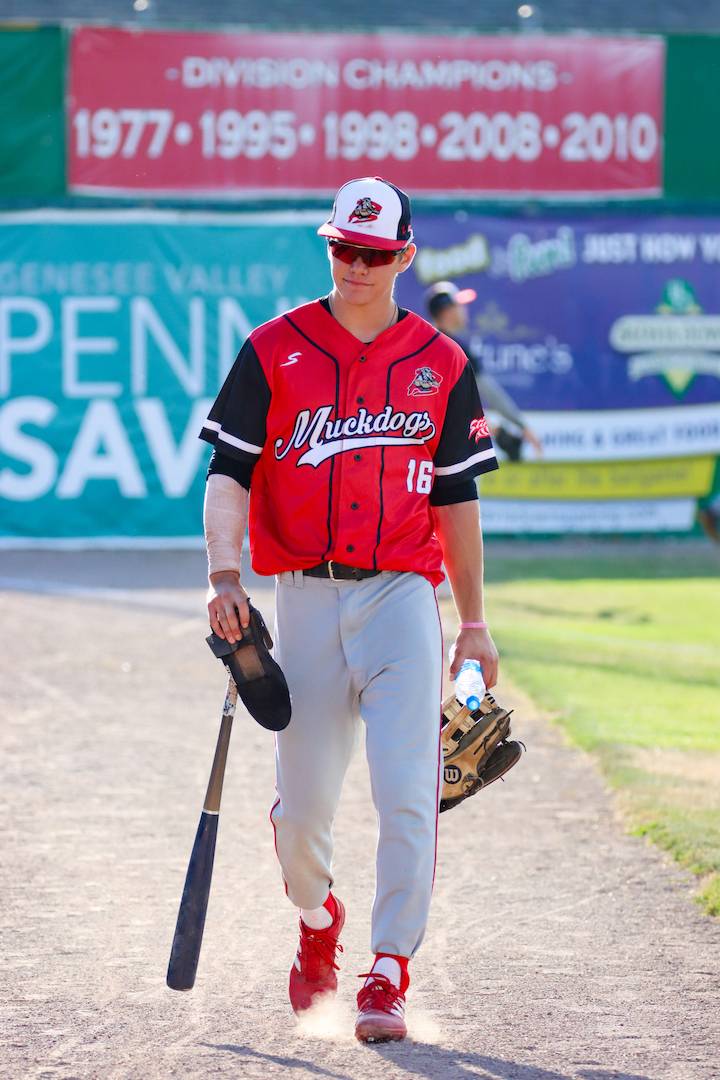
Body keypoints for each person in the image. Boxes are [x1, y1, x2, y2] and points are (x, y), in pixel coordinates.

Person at [199, 176, 499, 1043]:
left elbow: (457, 503)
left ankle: (388, 967)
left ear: (405, 256)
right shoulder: (272, 348)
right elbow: (229, 476)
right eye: (344, 249)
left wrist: (474, 623)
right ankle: (319, 920)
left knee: (408, 790)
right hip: (303, 599)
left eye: (375, 252)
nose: (358, 265)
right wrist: (225, 578)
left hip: (404, 592)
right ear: (329, 247)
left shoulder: (440, 364)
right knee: (301, 815)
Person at [425, 281, 543, 460]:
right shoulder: (455, 348)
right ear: (446, 311)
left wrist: (492, 428)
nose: (464, 310)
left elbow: (448, 408)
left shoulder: (425, 344)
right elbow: (491, 394)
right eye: (459, 306)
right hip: (447, 451)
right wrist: (522, 426)